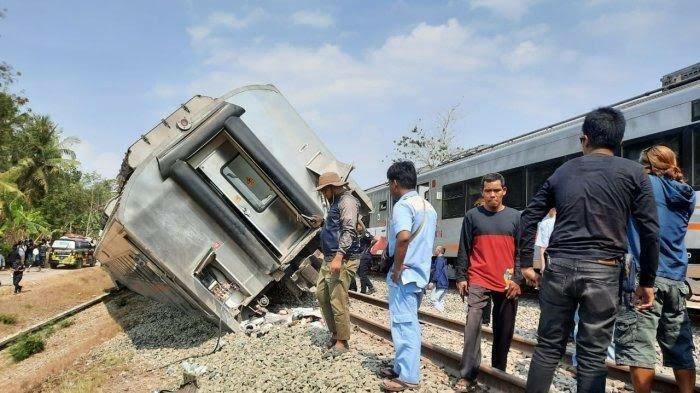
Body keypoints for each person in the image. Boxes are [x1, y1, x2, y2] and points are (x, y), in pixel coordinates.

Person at [519, 107, 659, 393]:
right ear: (619, 142)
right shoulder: (634, 173)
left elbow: (528, 217)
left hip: (559, 269)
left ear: (584, 139)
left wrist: (525, 264)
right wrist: (647, 282)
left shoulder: (563, 171)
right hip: (604, 270)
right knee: (593, 355)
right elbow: (650, 232)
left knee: (547, 349)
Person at [615, 145, 696, 393]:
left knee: (639, 347)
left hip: (645, 277)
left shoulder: (643, 185)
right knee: (680, 347)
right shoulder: (687, 193)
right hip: (677, 279)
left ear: (646, 165)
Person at [453, 173, 524, 392]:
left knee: (504, 330)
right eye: (487, 191)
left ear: (504, 191)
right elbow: (464, 248)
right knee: (472, 327)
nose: (492, 195)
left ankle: (498, 371)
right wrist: (461, 276)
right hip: (478, 279)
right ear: (482, 193)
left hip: (506, 282)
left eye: (496, 190)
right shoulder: (472, 216)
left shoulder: (516, 217)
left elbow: (522, 251)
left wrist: (518, 279)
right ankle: (468, 375)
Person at [380, 161, 437, 392]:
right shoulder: (428, 206)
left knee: (405, 325)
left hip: (404, 275)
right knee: (407, 321)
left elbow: (403, 237)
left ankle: (408, 377)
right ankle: (400, 366)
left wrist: (396, 267)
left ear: (394, 184)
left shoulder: (403, 206)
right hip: (419, 275)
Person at [313, 171, 361, 353]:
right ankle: (335, 333)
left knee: (337, 299)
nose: (323, 195)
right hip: (329, 258)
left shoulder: (346, 201)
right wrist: (322, 223)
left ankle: (342, 341)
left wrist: (339, 256)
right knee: (322, 294)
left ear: (331, 188)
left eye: (324, 191)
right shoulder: (335, 202)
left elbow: (349, 231)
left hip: (342, 259)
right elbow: (336, 226)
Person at [349, 220, 376, 294]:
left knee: (362, 274)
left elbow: (375, 240)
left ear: (361, 226)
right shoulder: (359, 235)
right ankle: (363, 291)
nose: (356, 228)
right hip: (361, 256)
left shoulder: (365, 233)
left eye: (357, 226)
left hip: (365, 256)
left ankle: (370, 288)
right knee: (360, 274)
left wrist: (369, 248)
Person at [429, 246, 448, 312]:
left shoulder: (439, 260)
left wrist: (432, 281)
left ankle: (441, 312)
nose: (435, 251)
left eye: (436, 250)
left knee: (433, 299)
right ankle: (442, 314)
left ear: (439, 251)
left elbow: (437, 271)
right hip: (444, 283)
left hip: (440, 283)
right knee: (440, 300)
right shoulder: (443, 259)